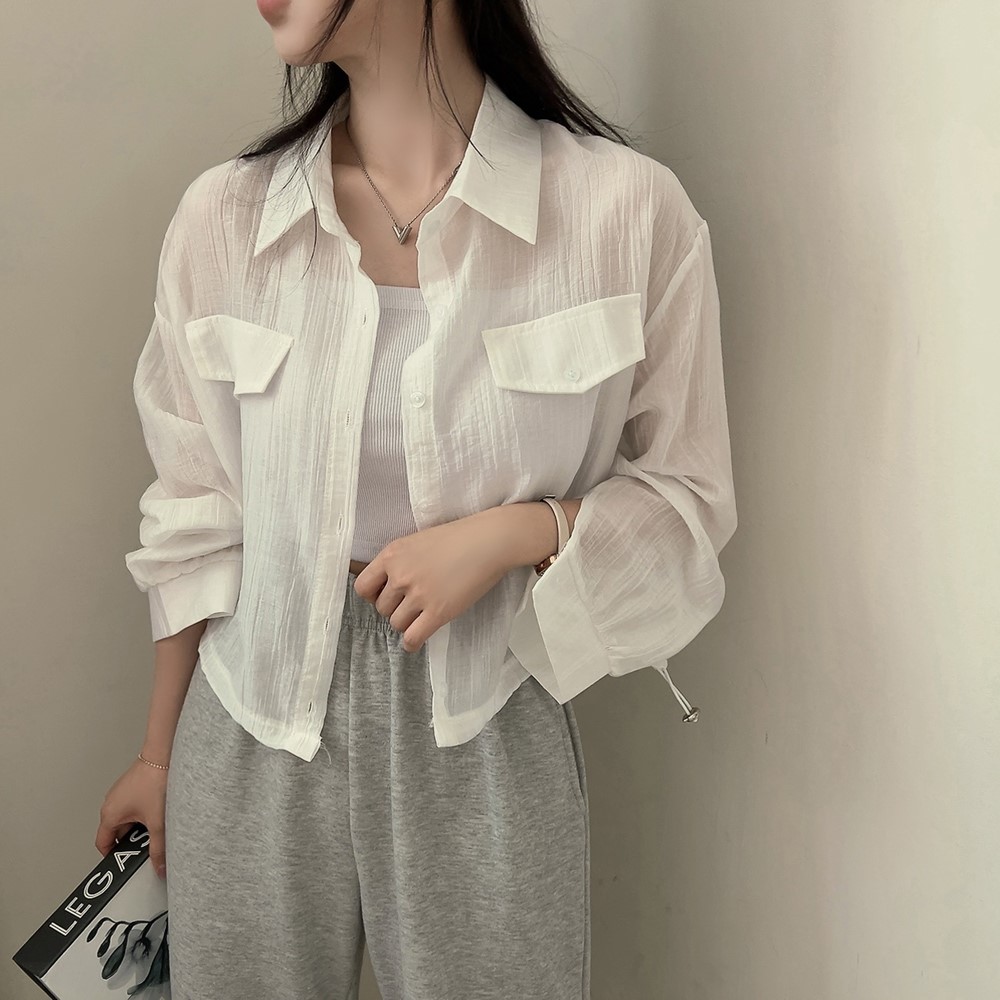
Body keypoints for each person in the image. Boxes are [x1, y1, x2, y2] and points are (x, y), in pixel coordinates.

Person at [95, 0, 738, 997]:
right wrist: (156, 757)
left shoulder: (623, 214)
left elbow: (689, 508)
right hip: (250, 719)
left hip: (487, 724)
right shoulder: (225, 219)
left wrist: (515, 533)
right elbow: (195, 511)